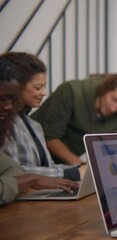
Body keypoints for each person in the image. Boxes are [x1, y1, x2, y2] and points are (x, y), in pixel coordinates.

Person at [0, 57, 79, 206]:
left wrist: (77, 169)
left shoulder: (34, 125)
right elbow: (21, 173)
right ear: (20, 88)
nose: (44, 93)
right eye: (38, 87)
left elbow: (15, 170)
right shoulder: (6, 125)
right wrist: (70, 173)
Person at [31, 71, 117, 165]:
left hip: (60, 165)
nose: (114, 108)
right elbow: (50, 137)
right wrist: (81, 166)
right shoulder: (71, 91)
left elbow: (110, 154)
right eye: (114, 99)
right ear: (105, 89)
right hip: (29, 151)